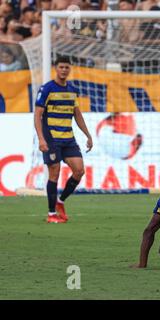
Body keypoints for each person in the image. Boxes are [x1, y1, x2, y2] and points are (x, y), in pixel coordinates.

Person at [34, 56, 93, 224]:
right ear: (56, 68)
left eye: (67, 67)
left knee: (79, 170)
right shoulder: (47, 89)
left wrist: (88, 135)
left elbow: (77, 114)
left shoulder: (72, 90)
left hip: (68, 138)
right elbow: (37, 115)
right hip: (51, 138)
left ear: (70, 69)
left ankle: (60, 201)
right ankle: (51, 213)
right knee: (54, 173)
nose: (64, 70)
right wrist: (41, 139)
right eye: (61, 67)